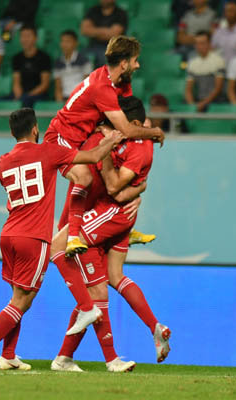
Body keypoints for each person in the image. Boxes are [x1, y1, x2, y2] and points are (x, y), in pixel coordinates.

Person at [0, 108, 124, 371]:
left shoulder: (2, 161)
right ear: (36, 129)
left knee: (17, 297)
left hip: (8, 234)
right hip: (34, 237)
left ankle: (8, 355)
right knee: (22, 301)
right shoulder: (48, 151)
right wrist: (111, 139)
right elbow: (94, 156)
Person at [43, 36, 164, 334]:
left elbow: (128, 114)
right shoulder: (102, 85)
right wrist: (154, 131)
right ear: (124, 62)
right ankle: (73, 236)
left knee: (92, 181)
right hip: (62, 140)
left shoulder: (119, 84)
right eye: (135, 59)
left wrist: (135, 189)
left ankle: (62, 355)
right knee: (84, 178)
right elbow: (124, 127)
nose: (138, 64)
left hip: (84, 144)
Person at [51, 96, 170, 372]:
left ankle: (106, 358)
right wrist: (138, 189)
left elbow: (115, 186)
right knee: (113, 278)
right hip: (101, 211)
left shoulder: (117, 138)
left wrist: (135, 189)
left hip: (105, 212)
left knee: (90, 286)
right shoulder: (109, 132)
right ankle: (153, 327)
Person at [9, 25, 51, 107]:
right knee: (0, 101)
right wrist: (18, 96)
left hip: (38, 95)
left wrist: (28, 95)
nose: (25, 39)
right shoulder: (16, 58)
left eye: (28, 36)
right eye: (22, 36)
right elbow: (16, 82)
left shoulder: (44, 57)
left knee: (26, 101)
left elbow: (44, 84)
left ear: (36, 38)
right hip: (21, 94)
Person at [185, 31, 226, 111]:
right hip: (199, 102)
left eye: (202, 43)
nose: (199, 46)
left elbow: (218, 89)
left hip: (216, 103)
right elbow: (188, 90)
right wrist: (192, 105)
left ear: (209, 44)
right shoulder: (192, 63)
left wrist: (203, 104)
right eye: (197, 43)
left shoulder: (218, 61)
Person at [81, 0, 128, 68]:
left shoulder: (120, 13)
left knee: (105, 57)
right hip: (93, 46)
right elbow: (84, 30)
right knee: (79, 57)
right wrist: (106, 31)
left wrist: (94, 31)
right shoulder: (93, 11)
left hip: (114, 48)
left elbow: (113, 34)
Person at [53, 30, 93, 102]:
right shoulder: (57, 63)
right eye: (62, 41)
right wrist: (59, 103)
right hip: (64, 99)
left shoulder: (84, 60)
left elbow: (87, 84)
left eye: (68, 41)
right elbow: (58, 87)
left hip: (80, 98)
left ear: (76, 43)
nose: (64, 44)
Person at [211, 1, 236, 66]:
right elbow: (211, 50)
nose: (229, 13)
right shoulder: (218, 32)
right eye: (227, 11)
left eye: (232, 11)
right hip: (220, 68)